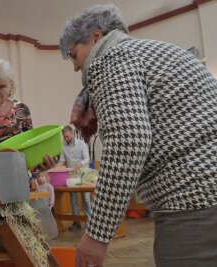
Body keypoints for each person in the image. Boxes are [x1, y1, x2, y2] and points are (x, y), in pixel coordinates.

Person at [60, 4, 217, 267]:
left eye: (74, 55)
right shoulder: (156, 51)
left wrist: (97, 235)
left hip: (194, 200)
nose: (76, 67)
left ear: (96, 37)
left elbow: (127, 145)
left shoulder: (111, 57)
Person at [58, 125, 91, 232]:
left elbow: (87, 158)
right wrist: (56, 167)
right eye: (64, 137)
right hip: (71, 175)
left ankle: (89, 222)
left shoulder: (82, 143)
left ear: (72, 133)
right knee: (73, 198)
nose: (66, 139)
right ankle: (76, 222)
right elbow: (62, 160)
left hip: (83, 173)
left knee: (85, 198)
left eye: (67, 136)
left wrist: (80, 164)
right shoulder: (63, 146)